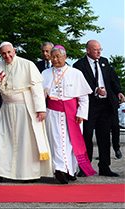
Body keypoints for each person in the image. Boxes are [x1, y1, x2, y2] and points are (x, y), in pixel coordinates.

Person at [0, 42, 52, 182]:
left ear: (14, 51)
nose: (7, 56)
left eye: (9, 52)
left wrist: (40, 109)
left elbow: (36, 88)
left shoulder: (27, 64)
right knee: (5, 140)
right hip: (6, 108)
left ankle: (28, 174)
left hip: (25, 108)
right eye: (3, 54)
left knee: (25, 142)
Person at [41, 45, 96, 184]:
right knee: (56, 141)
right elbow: (40, 95)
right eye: (53, 57)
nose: (55, 59)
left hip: (72, 114)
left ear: (65, 57)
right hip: (53, 112)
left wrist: (82, 113)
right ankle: (60, 170)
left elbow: (84, 97)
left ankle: (71, 170)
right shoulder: (45, 73)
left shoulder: (75, 73)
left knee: (72, 143)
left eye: (58, 56)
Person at [73, 40, 125, 177]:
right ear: (88, 50)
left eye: (100, 49)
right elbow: (80, 84)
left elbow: (113, 79)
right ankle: (85, 167)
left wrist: (119, 91)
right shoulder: (79, 65)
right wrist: (95, 90)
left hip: (105, 105)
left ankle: (104, 166)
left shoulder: (104, 62)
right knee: (87, 136)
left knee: (104, 137)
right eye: (96, 50)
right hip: (89, 106)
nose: (99, 52)